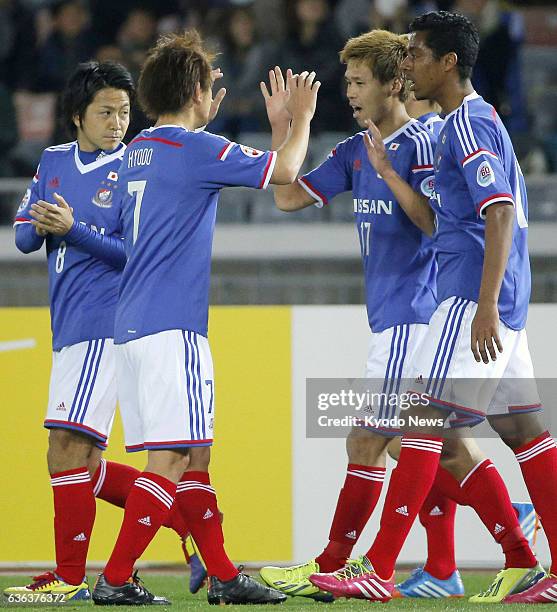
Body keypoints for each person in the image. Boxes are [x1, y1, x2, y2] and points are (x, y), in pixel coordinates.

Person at [260, 27, 540, 603]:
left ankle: (343, 563)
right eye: (347, 82)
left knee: (374, 439)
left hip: (425, 316)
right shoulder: (354, 150)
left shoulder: (435, 139)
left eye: (362, 81)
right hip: (396, 318)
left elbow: (455, 222)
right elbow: (286, 197)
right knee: (443, 446)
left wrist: (394, 176)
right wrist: (292, 126)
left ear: (396, 83)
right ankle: (490, 544)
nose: (351, 92)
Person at [90, 30, 320, 606]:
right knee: (170, 460)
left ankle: (221, 574)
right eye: (211, 83)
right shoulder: (196, 149)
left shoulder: (136, 151)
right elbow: (288, 172)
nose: (215, 92)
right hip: (173, 327)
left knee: (191, 454)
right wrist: (301, 118)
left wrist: (261, 131)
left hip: (131, 327)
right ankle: (116, 579)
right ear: (197, 90)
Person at [3, 61, 206, 602]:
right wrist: (41, 225)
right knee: (82, 463)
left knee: (65, 446)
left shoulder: (134, 170)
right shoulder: (52, 162)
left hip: (107, 322)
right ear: (77, 116)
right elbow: (24, 237)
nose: (118, 122)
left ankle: (68, 577)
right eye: (106, 112)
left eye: (124, 111)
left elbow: (135, 254)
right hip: (67, 324)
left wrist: (74, 229)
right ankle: (189, 526)